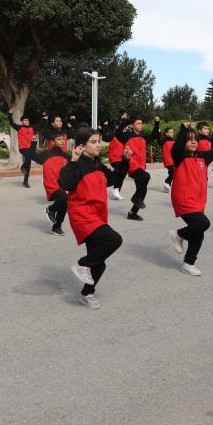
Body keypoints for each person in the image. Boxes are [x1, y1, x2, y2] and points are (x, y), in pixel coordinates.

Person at [60, 128, 130, 310]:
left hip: (97, 216)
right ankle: (82, 264)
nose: (98, 145)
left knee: (99, 263)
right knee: (114, 239)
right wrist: (73, 161)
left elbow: (115, 179)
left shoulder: (98, 165)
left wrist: (125, 161)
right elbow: (65, 184)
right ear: (81, 146)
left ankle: (86, 294)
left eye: (99, 141)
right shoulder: (78, 164)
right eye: (93, 142)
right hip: (82, 216)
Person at [169, 123, 213, 276]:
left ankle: (188, 263)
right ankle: (178, 234)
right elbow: (177, 146)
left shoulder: (202, 157)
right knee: (203, 223)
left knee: (198, 233)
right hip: (184, 199)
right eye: (189, 139)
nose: (193, 142)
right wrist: (184, 130)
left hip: (199, 201)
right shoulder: (179, 157)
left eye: (195, 139)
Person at [117, 114, 161, 221]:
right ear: (132, 125)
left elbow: (155, 135)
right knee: (146, 176)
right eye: (138, 123)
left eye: (141, 123)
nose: (141, 125)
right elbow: (118, 134)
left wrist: (157, 122)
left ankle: (132, 213)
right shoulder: (126, 135)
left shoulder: (143, 137)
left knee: (143, 190)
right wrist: (125, 121)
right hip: (132, 164)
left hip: (141, 166)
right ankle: (135, 197)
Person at [29, 133, 71, 235]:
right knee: (64, 198)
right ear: (52, 142)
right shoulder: (46, 154)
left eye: (63, 139)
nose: (62, 141)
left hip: (62, 185)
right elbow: (32, 155)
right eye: (59, 139)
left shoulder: (66, 156)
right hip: (51, 185)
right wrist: (33, 143)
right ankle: (51, 209)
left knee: (64, 205)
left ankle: (56, 227)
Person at [101, 114, 128, 200]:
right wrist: (105, 126)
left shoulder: (124, 135)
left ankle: (116, 191)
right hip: (115, 158)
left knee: (122, 174)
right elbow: (105, 137)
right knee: (119, 173)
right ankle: (114, 189)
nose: (124, 128)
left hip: (122, 157)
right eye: (122, 126)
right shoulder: (115, 134)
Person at [9, 111, 36, 188]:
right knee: (27, 158)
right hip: (23, 148)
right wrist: (10, 114)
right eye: (25, 120)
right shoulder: (19, 127)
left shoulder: (32, 128)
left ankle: (25, 181)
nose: (27, 121)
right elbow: (11, 123)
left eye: (27, 120)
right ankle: (22, 167)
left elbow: (40, 125)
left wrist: (45, 118)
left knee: (28, 164)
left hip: (30, 148)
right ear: (22, 122)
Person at [160, 126, 175, 192]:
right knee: (172, 172)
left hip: (174, 159)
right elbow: (158, 139)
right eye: (170, 132)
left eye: (172, 132)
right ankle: (167, 182)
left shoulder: (174, 141)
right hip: (168, 160)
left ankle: (167, 186)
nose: (172, 133)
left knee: (174, 173)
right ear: (166, 133)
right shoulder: (163, 141)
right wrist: (158, 132)